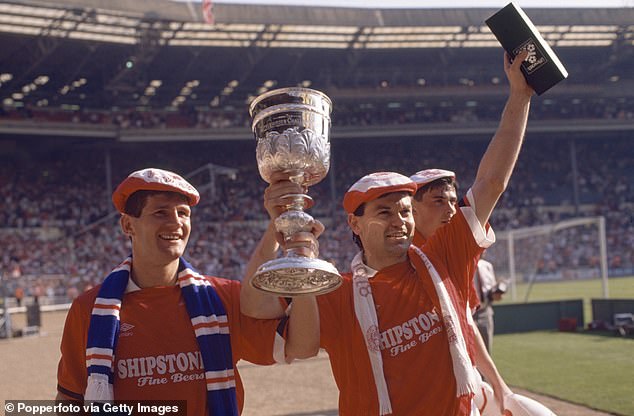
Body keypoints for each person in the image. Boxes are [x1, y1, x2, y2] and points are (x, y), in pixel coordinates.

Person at [242, 50, 533, 415]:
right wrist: (278, 227)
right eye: (384, 212)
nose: (400, 221)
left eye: (405, 211)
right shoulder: (336, 291)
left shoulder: (444, 257)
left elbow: (492, 182)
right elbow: (260, 312)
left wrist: (519, 97)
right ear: (355, 224)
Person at [56, 168, 318, 415]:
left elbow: (301, 346)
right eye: (160, 212)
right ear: (128, 226)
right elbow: (70, 399)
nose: (175, 223)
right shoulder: (89, 309)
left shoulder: (222, 298)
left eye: (183, 213)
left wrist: (302, 261)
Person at [409, 169, 512, 413]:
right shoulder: (392, 255)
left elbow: (464, 321)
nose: (451, 210)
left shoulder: (450, 254)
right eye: (439, 201)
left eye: (453, 201)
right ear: (412, 208)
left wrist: (498, 383)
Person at [473, 253, 506, 353]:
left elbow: (491, 289)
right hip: (469, 314)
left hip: (485, 312)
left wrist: (497, 294)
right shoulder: (463, 266)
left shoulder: (487, 266)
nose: (484, 250)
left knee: (486, 351)